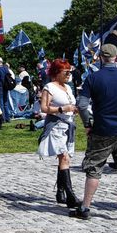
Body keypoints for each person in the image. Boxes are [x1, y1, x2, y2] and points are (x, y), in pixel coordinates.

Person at [71, 46, 117, 221]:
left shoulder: (93, 78)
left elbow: (83, 105)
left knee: (94, 170)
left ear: (100, 57)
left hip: (102, 129)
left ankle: (85, 207)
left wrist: (87, 124)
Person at [36, 60, 79, 209]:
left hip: (68, 126)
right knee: (64, 157)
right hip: (56, 126)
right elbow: (44, 108)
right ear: (56, 73)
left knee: (64, 159)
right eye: (65, 72)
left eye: (69, 72)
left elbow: (70, 103)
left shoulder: (68, 87)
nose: (68, 75)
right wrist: (62, 109)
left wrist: (73, 109)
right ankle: (70, 194)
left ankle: (60, 191)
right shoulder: (49, 87)